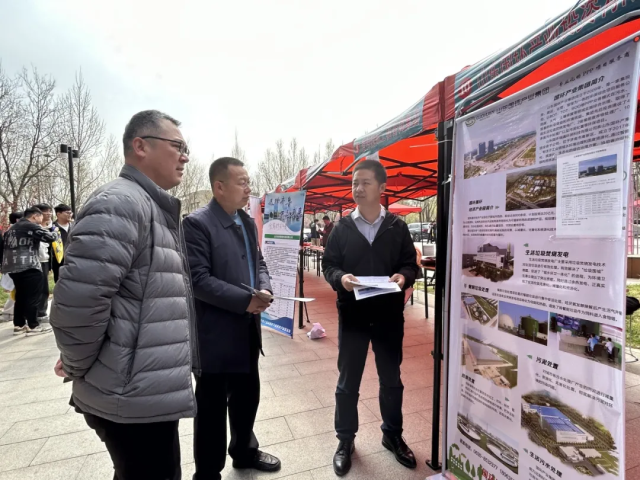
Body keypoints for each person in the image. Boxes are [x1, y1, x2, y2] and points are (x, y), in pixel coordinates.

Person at [50, 110, 198, 480]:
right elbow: (77, 307)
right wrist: (77, 365)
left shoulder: (149, 206)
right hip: (129, 395)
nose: (185, 157)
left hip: (143, 389)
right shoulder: (120, 204)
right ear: (140, 146)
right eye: (178, 146)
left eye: (187, 149)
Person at [183, 156, 281, 480]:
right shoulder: (196, 224)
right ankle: (208, 472)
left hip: (247, 330)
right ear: (219, 187)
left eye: (249, 182)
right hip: (215, 336)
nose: (248, 188)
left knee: (247, 398)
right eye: (242, 182)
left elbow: (259, 262)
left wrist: (264, 288)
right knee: (211, 410)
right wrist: (245, 300)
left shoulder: (246, 221)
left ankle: (244, 452)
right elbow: (198, 280)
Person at [322, 160, 419, 476]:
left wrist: (404, 277)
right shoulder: (341, 228)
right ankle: (345, 440)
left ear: (381, 188)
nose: (358, 188)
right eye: (354, 183)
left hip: (389, 316)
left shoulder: (397, 227)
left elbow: (410, 264)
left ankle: (392, 435)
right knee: (347, 381)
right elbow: (329, 265)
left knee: (391, 379)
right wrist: (341, 279)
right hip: (353, 316)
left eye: (365, 182)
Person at [2, 207, 57, 336]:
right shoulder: (30, 226)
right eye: (41, 216)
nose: (42, 219)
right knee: (33, 297)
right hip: (29, 265)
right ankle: (33, 326)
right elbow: (49, 237)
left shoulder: (12, 228)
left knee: (20, 296)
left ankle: (19, 325)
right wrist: (54, 231)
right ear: (34, 216)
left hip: (12, 267)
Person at [1, 212, 24, 323]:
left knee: (17, 288)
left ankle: (10, 312)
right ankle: (8, 312)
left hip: (16, 264)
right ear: (18, 220)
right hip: (14, 264)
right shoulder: (11, 233)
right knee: (16, 288)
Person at [33, 203, 54, 322]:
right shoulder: (33, 227)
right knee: (37, 289)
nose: (49, 213)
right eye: (46, 211)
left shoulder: (50, 227)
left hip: (45, 260)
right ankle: (36, 314)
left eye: (50, 211)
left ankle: (41, 312)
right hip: (35, 261)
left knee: (44, 289)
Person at [51, 204, 73, 283]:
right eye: (67, 213)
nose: (70, 215)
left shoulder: (75, 226)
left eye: (71, 213)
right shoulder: (52, 228)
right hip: (58, 261)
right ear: (58, 214)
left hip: (73, 259)